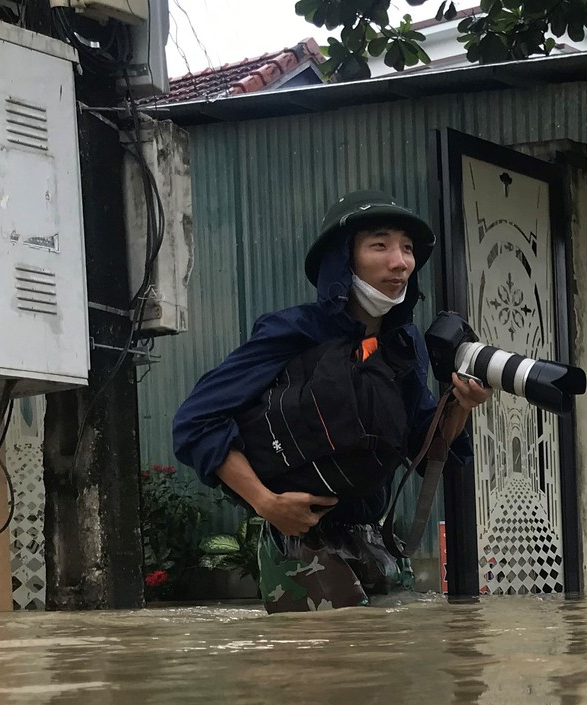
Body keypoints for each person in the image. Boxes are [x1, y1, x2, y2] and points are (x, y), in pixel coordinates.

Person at [172, 190, 490, 611]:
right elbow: (195, 422)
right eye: (380, 245)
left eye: (408, 248)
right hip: (301, 542)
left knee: (384, 669)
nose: (400, 262)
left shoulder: (402, 344)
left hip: (376, 540)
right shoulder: (292, 331)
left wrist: (462, 405)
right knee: (320, 670)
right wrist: (267, 504)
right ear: (343, 259)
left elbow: (426, 446)